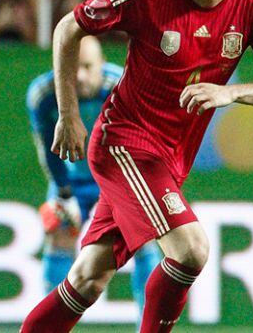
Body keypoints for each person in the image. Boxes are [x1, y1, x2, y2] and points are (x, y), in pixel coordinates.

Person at [20, 0, 253, 332]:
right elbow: (68, 28)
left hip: (171, 159)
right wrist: (69, 114)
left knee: (88, 278)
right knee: (191, 250)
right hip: (124, 144)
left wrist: (231, 93)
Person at [26, 35, 161, 322]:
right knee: (60, 235)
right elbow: (47, 150)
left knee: (144, 241)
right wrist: (64, 194)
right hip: (71, 180)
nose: (80, 76)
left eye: (87, 66)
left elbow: (141, 143)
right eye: (72, 68)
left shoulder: (124, 88)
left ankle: (149, 327)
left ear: (102, 64)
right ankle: (51, 327)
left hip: (117, 179)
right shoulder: (43, 94)